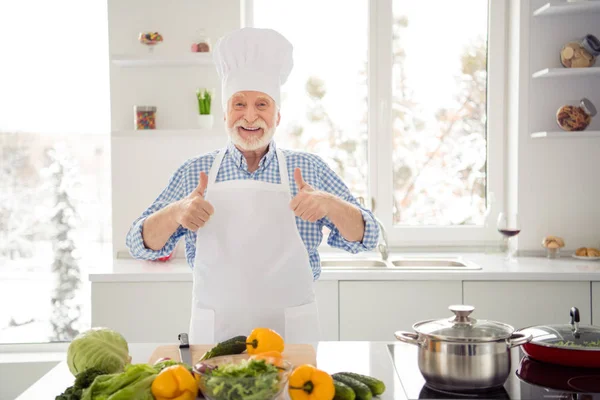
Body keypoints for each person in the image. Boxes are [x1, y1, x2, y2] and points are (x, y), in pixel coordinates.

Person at [126, 27, 379, 344]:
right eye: (238, 104)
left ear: (277, 117)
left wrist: (330, 204)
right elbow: (139, 244)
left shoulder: (309, 169)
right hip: (215, 334)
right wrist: (176, 213)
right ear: (225, 114)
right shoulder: (195, 172)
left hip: (291, 334)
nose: (249, 116)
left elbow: (368, 237)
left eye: (262, 105)